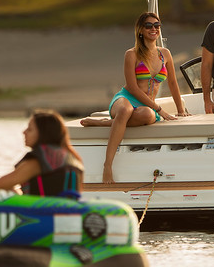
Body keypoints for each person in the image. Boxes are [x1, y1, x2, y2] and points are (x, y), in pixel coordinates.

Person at [80, 12, 187, 183]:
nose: (154, 29)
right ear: (141, 31)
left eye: (157, 25)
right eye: (149, 26)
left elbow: (173, 83)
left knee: (148, 115)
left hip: (146, 106)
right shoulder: (132, 54)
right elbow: (132, 88)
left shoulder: (164, 54)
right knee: (125, 109)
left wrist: (181, 110)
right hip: (127, 97)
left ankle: (106, 122)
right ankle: (107, 165)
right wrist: (160, 109)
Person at [0, 109, 84, 198]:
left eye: (29, 129)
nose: (23, 132)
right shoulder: (72, 157)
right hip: (68, 214)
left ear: (42, 134)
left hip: (44, 218)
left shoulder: (36, 162)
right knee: (10, 191)